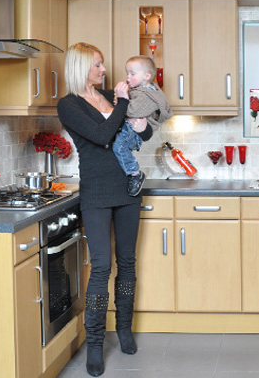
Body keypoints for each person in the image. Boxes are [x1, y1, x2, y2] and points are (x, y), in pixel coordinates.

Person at [57, 42, 152, 377]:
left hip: (128, 189)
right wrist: (123, 104)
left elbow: (143, 132)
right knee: (101, 267)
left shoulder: (111, 95)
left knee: (127, 263)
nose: (104, 70)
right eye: (97, 65)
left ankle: (124, 328)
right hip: (96, 193)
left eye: (102, 64)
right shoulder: (69, 104)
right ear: (81, 67)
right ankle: (95, 342)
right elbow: (101, 136)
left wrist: (142, 126)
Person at [113, 55, 173, 196]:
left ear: (147, 76)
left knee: (118, 148)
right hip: (131, 129)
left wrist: (121, 100)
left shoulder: (147, 96)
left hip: (132, 132)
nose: (128, 77)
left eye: (132, 74)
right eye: (127, 73)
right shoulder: (142, 90)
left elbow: (132, 111)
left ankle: (135, 174)